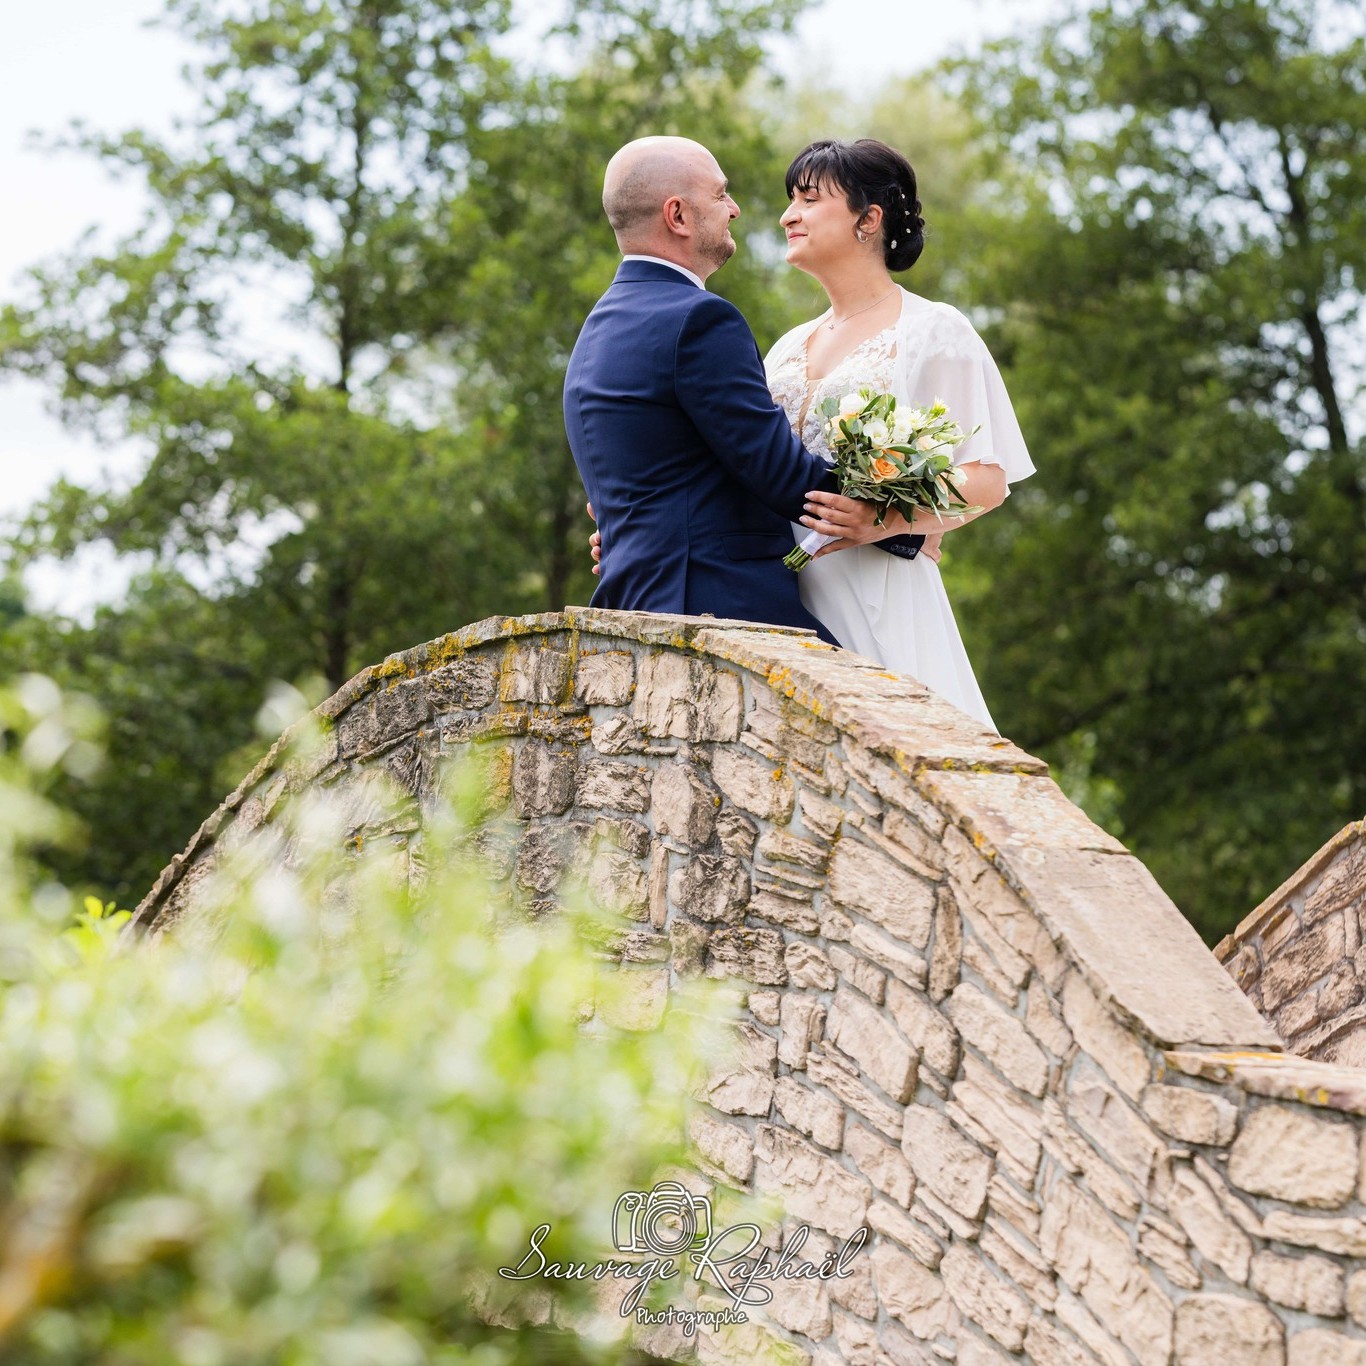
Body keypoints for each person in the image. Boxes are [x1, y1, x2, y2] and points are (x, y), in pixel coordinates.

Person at [563, 136, 920, 645]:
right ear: (678, 216)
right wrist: (905, 524)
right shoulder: (700, 319)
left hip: (633, 602)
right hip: (717, 604)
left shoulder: (597, 329)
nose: (734, 209)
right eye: (720, 194)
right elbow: (779, 473)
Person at [765, 138, 1036, 729]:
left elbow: (987, 481)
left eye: (809, 199)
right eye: (790, 200)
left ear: (869, 219)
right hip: (781, 597)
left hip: (880, 589)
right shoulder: (788, 348)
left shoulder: (934, 331)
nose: (788, 216)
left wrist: (881, 520)